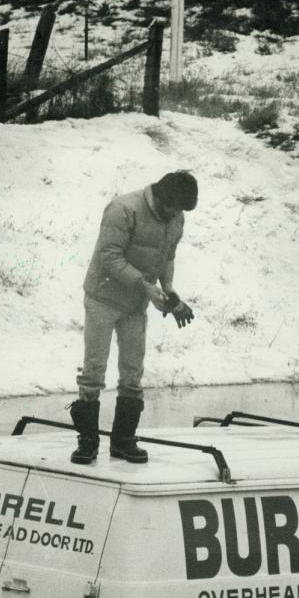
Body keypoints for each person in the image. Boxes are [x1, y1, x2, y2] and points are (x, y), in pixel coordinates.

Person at [69, 171, 197, 465]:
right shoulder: (123, 208)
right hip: (103, 297)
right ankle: (87, 441)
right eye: (174, 208)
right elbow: (109, 257)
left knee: (132, 371)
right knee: (94, 370)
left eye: (182, 211)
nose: (177, 215)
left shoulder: (176, 218)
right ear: (161, 197)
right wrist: (145, 286)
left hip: (136, 304)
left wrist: (168, 292)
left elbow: (168, 257)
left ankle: (123, 441)